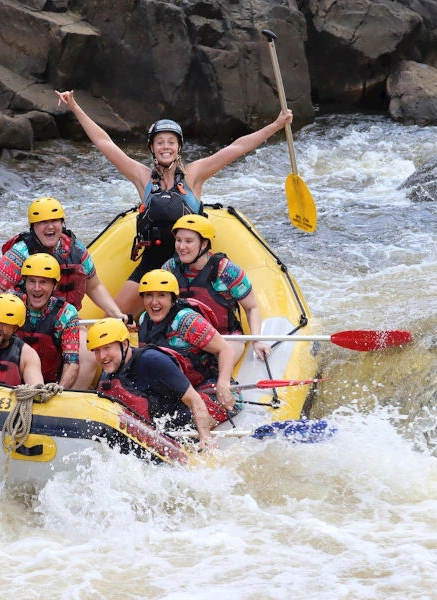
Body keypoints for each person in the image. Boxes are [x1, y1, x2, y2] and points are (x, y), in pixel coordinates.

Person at [55, 89, 293, 316]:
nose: (165, 147)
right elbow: (105, 143)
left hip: (189, 265)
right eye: (160, 142)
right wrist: (74, 106)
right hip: (152, 263)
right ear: (152, 147)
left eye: (171, 142)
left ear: (178, 147)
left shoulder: (194, 174)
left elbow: (237, 148)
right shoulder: (142, 178)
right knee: (114, 317)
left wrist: (276, 125)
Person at [0, 196, 129, 388]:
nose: (50, 227)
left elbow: (95, 286)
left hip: (64, 322)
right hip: (23, 322)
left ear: (62, 223)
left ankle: (67, 400)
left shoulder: (77, 251)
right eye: (43, 222)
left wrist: (117, 314)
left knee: (87, 354)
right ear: (33, 226)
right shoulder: (20, 253)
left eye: (55, 221)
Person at [87, 317, 219, 449]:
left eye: (107, 348)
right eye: (96, 350)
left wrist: (205, 437)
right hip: (146, 437)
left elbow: (194, 399)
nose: (101, 356)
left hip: (181, 433)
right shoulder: (109, 371)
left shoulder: (152, 360)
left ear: (125, 344)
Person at [163, 214, 270, 362]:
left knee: (219, 363)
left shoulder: (227, 272)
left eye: (188, 241)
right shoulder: (169, 268)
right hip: (185, 338)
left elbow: (251, 308)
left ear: (204, 244)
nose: (181, 247)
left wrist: (257, 341)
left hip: (225, 338)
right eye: (178, 240)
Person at [136, 269, 237, 412]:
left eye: (161, 295)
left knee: (184, 418)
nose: (154, 302)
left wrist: (223, 384)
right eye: (148, 295)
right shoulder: (144, 320)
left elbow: (225, 350)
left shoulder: (186, 319)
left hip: (206, 384)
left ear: (172, 298)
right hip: (178, 389)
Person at [15, 253, 81, 388]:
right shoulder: (12, 305)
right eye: (31, 281)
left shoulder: (66, 313)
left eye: (43, 282)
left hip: (48, 386)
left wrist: (58, 390)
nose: (36, 288)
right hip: (13, 385)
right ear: (25, 283)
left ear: (54, 286)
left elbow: (71, 363)